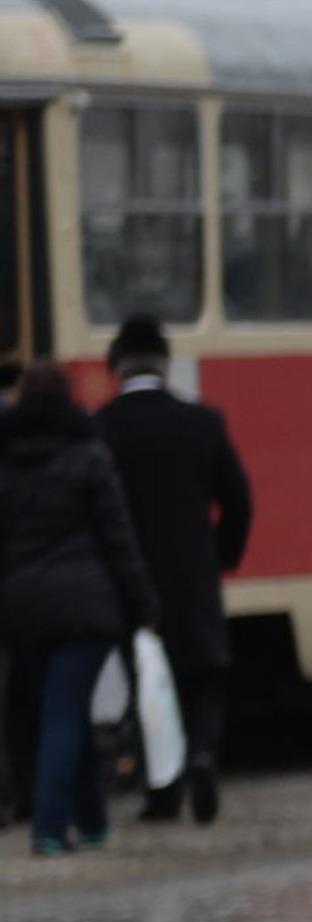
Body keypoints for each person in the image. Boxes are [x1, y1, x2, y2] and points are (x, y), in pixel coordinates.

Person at [96, 315, 253, 823]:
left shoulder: (102, 428)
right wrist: (221, 554)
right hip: (193, 574)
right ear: (165, 364)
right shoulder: (203, 422)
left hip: (132, 578)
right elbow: (240, 501)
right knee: (203, 677)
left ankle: (163, 790)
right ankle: (204, 755)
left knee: (149, 682)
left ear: (118, 366)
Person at [0, 360, 155, 858]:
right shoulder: (90, 455)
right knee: (65, 714)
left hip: (22, 607)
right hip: (86, 608)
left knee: (63, 710)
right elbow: (118, 537)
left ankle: (93, 822)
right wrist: (142, 602)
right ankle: (48, 827)